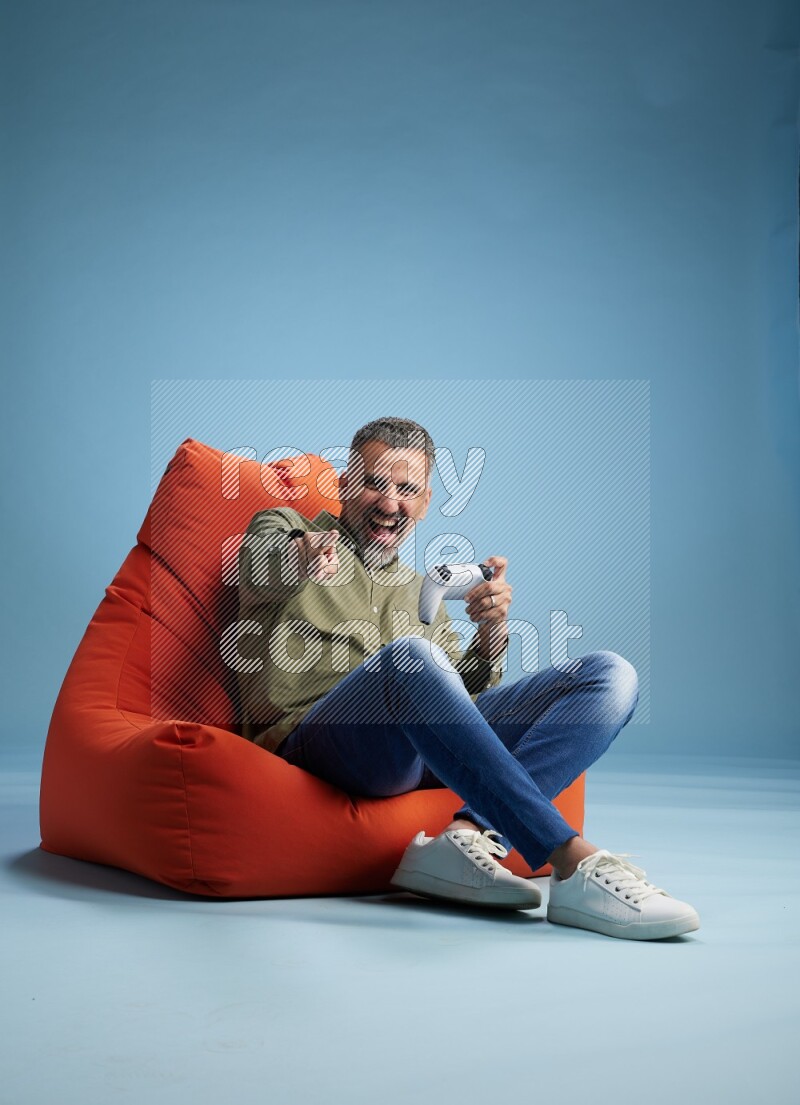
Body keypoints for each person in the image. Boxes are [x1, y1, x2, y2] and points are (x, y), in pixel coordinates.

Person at [236, 416, 700, 940]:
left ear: (427, 501)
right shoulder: (285, 528)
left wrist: (490, 632)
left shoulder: (423, 590)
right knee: (412, 658)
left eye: (406, 489)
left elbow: (464, 709)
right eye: (373, 483)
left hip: (418, 751)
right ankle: (571, 860)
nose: (390, 504)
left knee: (609, 675)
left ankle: (465, 836)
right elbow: (256, 571)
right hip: (319, 740)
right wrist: (300, 557)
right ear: (345, 484)